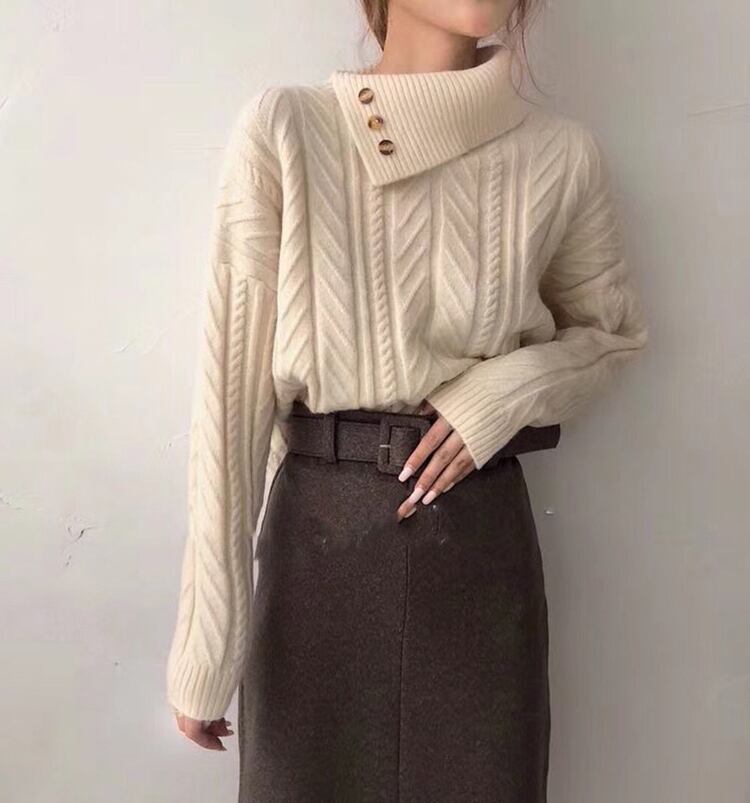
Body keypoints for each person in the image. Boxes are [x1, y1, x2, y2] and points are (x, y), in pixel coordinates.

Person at [166, 1, 649, 800]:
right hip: (318, 549)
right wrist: (206, 640)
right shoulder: (287, 130)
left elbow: (612, 333)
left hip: (477, 546)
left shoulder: (561, 156)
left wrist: (499, 393)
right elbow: (229, 399)